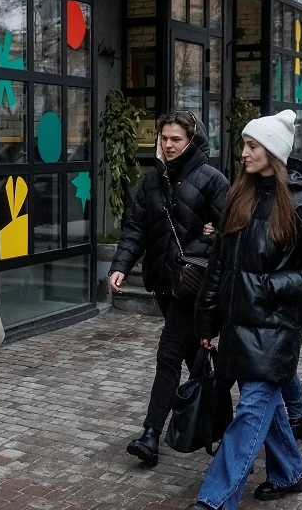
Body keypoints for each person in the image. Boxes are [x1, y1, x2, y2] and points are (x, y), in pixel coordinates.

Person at [188, 110, 302, 510]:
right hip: (237, 326)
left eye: (252, 145)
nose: (244, 153)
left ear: (273, 151)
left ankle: (215, 500)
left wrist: (271, 286)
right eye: (244, 145)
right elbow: (219, 265)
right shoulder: (240, 197)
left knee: (251, 412)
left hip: (276, 327)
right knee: (265, 408)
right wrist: (206, 322)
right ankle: (288, 472)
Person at [109, 111, 229, 467]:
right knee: (196, 359)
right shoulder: (153, 180)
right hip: (165, 284)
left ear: (192, 140)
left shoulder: (212, 180)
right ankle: (222, 427)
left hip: (194, 286)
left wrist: (201, 245)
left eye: (176, 139)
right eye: (164, 138)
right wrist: (121, 266)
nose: (169, 145)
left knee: (169, 354)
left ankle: (151, 434)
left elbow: (231, 232)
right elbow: (136, 227)